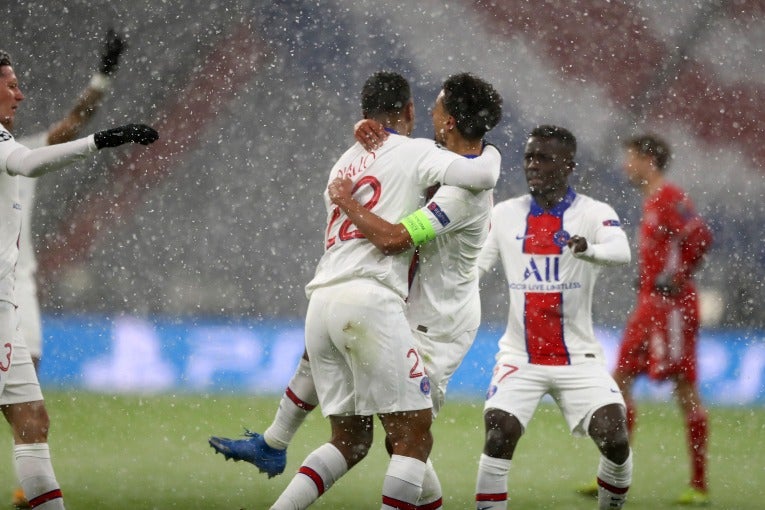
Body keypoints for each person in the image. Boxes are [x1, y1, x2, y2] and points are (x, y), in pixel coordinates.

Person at [214, 71, 501, 510]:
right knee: (405, 440)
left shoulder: (442, 187)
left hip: (427, 322)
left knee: (378, 440)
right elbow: (420, 170)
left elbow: (402, 230)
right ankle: (274, 442)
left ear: (449, 121)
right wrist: (384, 137)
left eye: (438, 106)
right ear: (405, 111)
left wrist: (362, 168)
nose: (428, 111)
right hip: (376, 303)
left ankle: (275, 440)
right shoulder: (421, 156)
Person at [1, 49, 158, 510]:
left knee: (32, 419)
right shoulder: (15, 150)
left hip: (12, 298)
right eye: (10, 84)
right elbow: (31, 163)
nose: (20, 93)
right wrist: (103, 140)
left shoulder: (18, 142)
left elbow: (63, 129)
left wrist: (102, 78)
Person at [474, 125, 632, 510]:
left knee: (615, 439)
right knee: (499, 433)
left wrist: (587, 249)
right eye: (529, 157)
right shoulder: (506, 214)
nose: (533, 165)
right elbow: (475, 269)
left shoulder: (594, 213)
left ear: (568, 165)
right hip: (519, 357)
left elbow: (621, 250)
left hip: (578, 358)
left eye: (543, 157)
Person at [612, 134, 712, 506]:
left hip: (671, 308)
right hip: (648, 305)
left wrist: (677, 275)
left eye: (631, 158)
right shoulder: (652, 200)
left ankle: (699, 484)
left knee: (684, 388)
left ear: (648, 160)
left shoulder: (670, 197)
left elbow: (700, 235)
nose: (625, 165)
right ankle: (613, 475)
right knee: (618, 381)